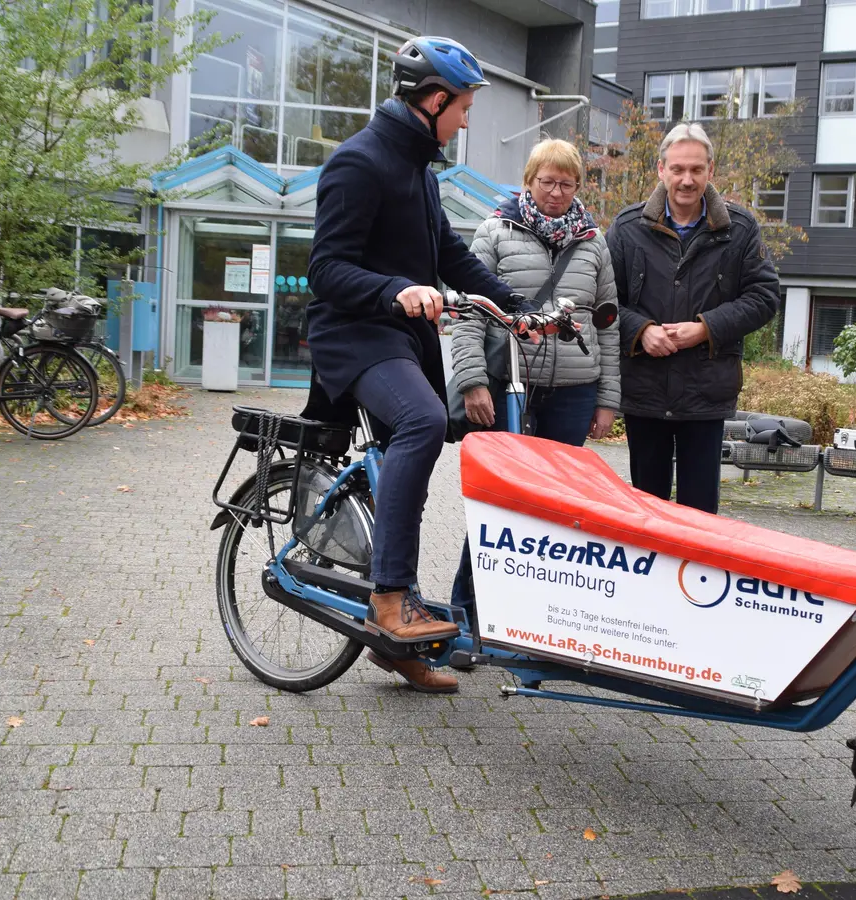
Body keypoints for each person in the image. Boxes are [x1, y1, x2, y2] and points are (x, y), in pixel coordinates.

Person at [305, 36, 533, 694]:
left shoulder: (418, 172)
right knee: (423, 422)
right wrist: (392, 289)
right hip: (354, 332)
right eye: (462, 107)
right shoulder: (359, 162)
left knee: (433, 439)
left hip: (400, 338)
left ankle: (396, 648)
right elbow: (325, 268)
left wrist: (518, 307)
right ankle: (390, 593)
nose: (465, 120)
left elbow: (451, 258)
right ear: (433, 102)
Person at [447, 137, 621, 615]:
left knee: (558, 507)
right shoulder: (495, 232)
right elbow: (468, 313)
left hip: (574, 392)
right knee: (498, 500)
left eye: (567, 184)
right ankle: (466, 610)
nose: (556, 192)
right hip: (508, 387)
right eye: (547, 182)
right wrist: (473, 382)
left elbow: (608, 321)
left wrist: (608, 399)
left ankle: (534, 619)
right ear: (528, 181)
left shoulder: (593, 242)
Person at [605, 121, 780, 514]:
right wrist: (640, 330)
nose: (687, 179)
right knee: (646, 512)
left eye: (696, 170)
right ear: (661, 170)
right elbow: (603, 300)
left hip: (706, 393)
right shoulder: (627, 228)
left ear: (711, 171)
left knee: (699, 515)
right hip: (646, 391)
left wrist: (705, 329)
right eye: (678, 169)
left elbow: (765, 296)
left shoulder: (740, 230)